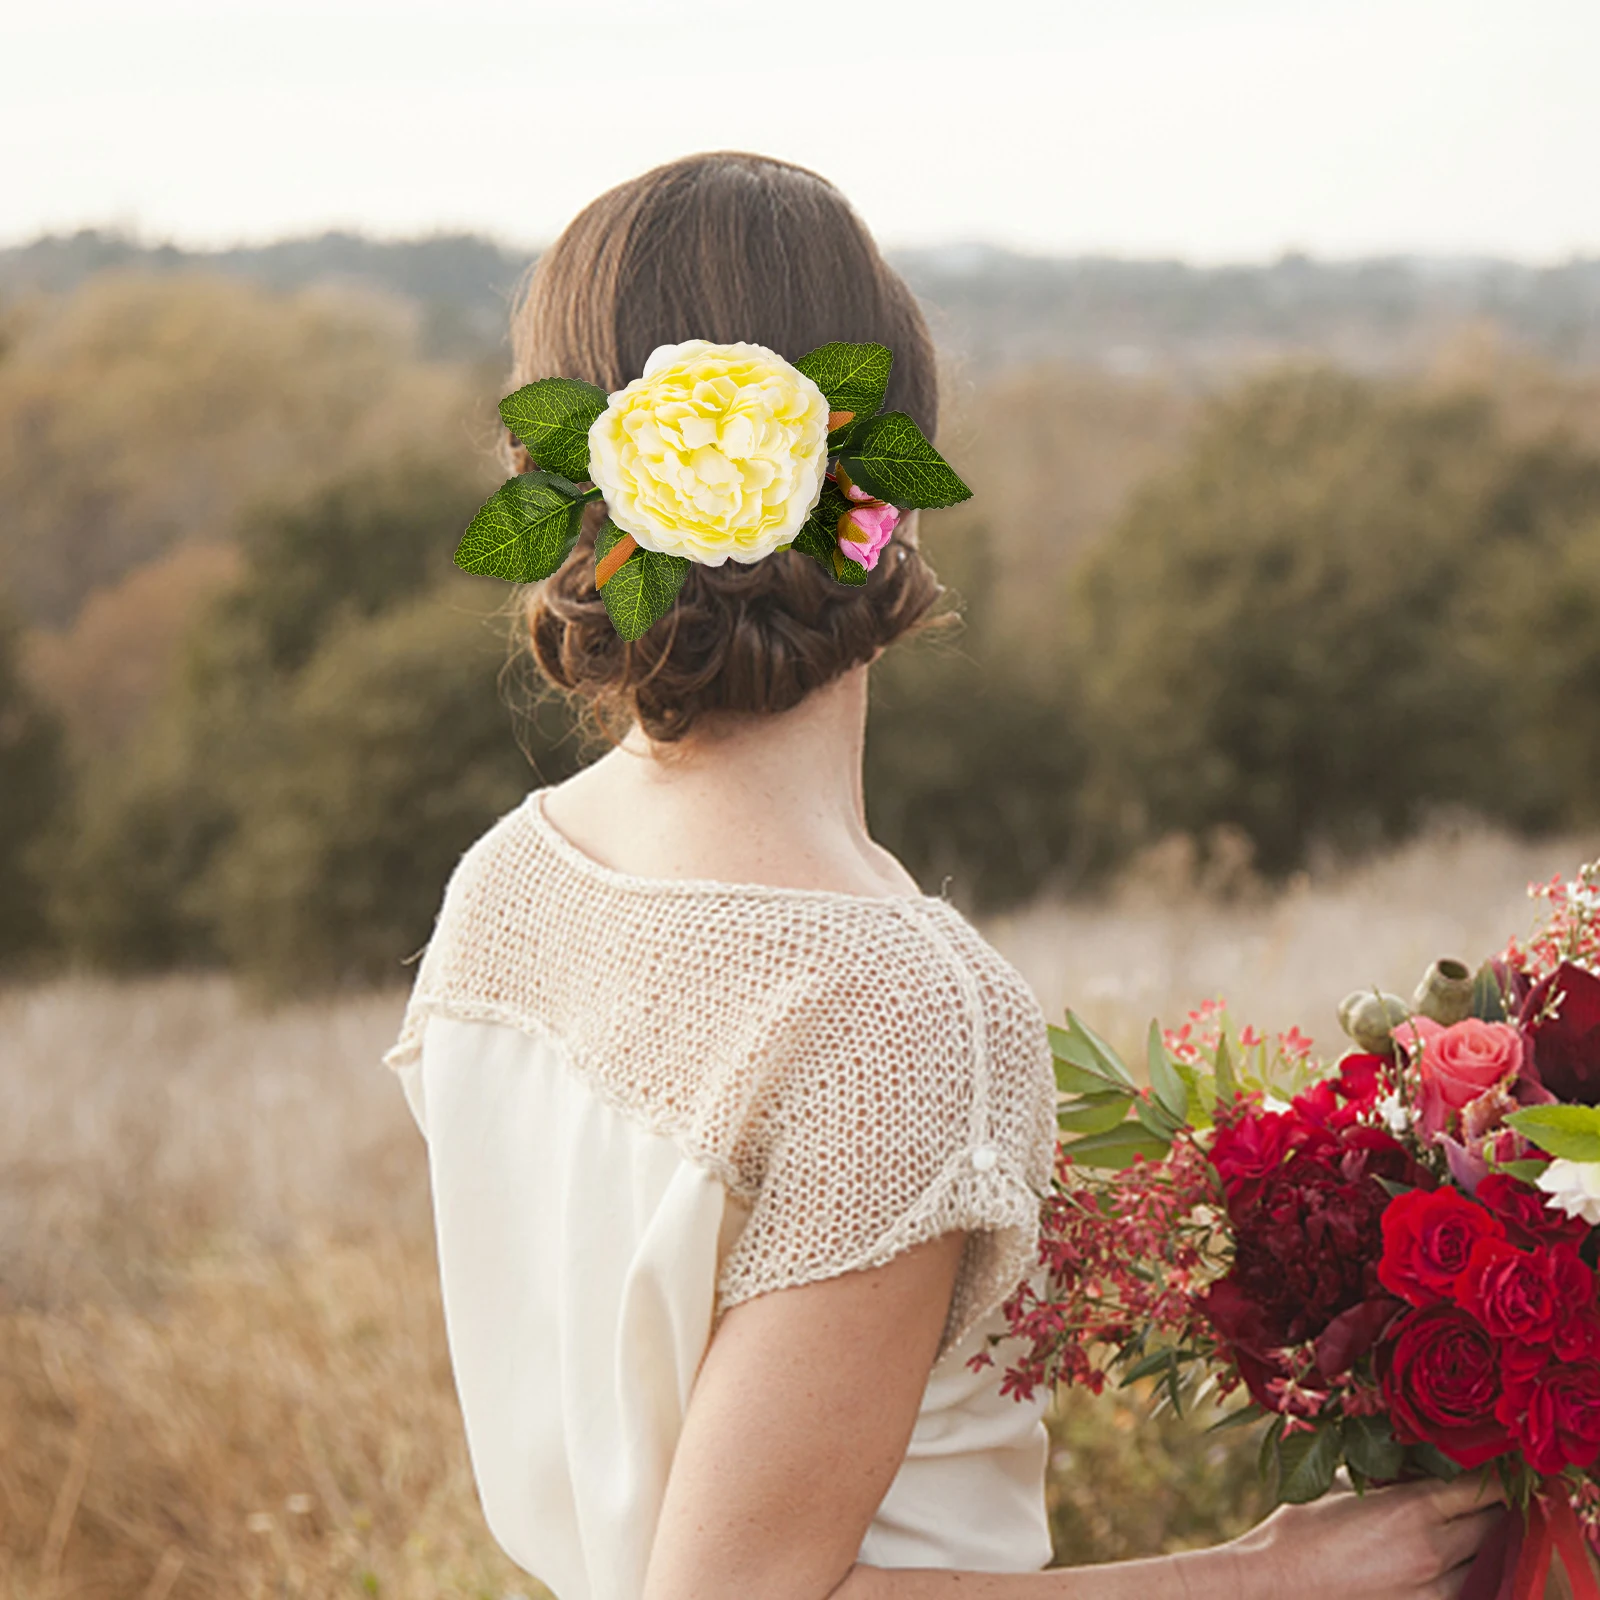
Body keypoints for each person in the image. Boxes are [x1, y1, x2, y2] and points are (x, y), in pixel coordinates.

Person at [384, 151, 1504, 1600]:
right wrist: (1266, 1580)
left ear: (575, 495)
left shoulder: (513, 881)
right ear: (889, 497)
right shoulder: (893, 1009)